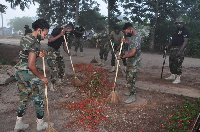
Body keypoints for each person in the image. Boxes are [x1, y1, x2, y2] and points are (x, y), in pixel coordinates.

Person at [14, 19, 52, 131]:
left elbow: (25, 54)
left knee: (23, 97)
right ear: (39, 30)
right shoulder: (35, 42)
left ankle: (18, 123)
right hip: (28, 72)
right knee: (38, 97)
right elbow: (31, 65)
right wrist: (42, 77)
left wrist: (38, 54)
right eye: (45, 34)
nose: (45, 36)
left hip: (19, 71)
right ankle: (40, 124)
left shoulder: (26, 37)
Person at [117, 22, 141, 104]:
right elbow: (132, 44)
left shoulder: (136, 38)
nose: (126, 33)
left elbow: (132, 53)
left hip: (134, 61)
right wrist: (125, 41)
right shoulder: (133, 37)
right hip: (131, 61)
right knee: (128, 76)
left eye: (126, 32)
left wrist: (122, 57)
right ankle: (131, 91)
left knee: (130, 78)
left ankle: (133, 96)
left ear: (131, 30)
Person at [46, 23, 74, 91]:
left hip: (57, 51)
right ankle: (52, 84)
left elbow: (65, 46)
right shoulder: (57, 30)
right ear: (67, 28)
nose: (69, 32)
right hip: (50, 50)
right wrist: (60, 35)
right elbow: (50, 40)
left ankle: (59, 80)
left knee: (62, 65)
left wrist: (68, 52)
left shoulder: (65, 35)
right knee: (54, 68)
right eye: (69, 30)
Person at [165, 17, 189, 84]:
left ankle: (178, 77)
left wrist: (180, 50)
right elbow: (172, 40)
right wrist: (168, 46)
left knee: (178, 63)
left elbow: (185, 42)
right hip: (173, 48)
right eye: (176, 23)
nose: (178, 24)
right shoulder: (176, 31)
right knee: (171, 62)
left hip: (179, 47)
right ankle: (172, 75)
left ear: (182, 23)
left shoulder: (185, 31)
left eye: (179, 22)